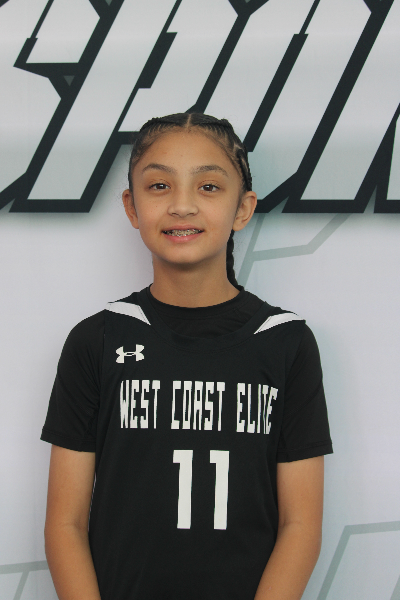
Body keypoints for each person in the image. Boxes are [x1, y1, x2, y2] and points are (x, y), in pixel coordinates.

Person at [41, 112, 333, 600]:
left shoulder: (286, 342)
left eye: (208, 187)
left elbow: (300, 525)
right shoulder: (98, 340)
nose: (181, 205)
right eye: (159, 186)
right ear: (132, 207)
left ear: (243, 208)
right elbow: (64, 524)